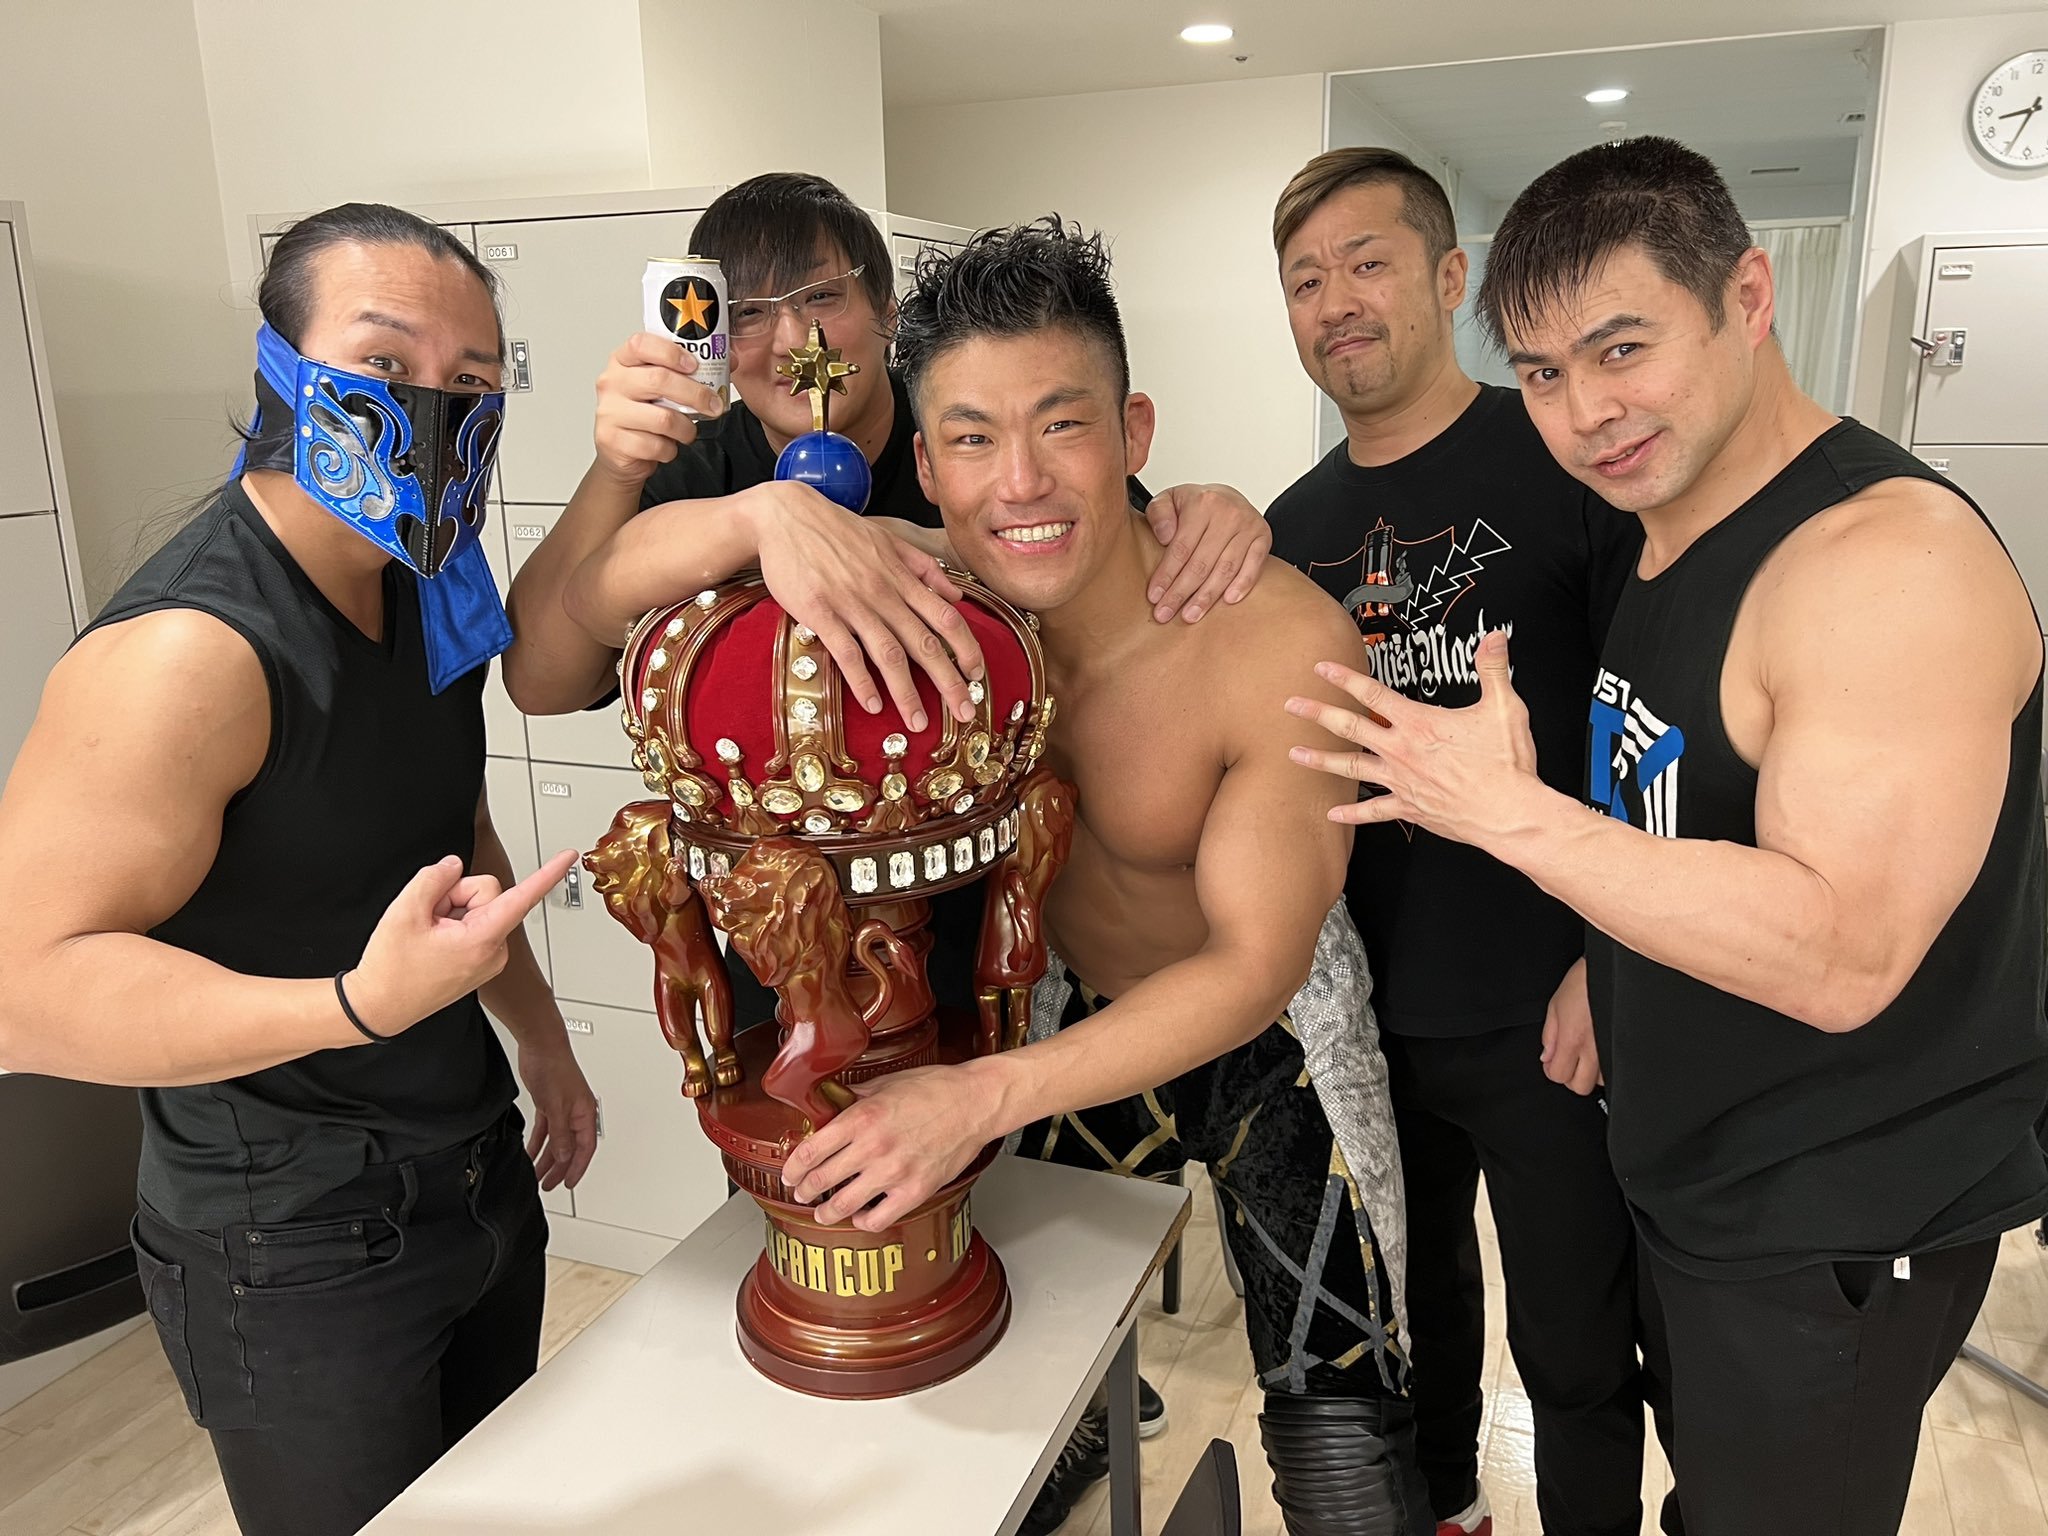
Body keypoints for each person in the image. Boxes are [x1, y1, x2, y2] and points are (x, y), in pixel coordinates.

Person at [561, 215, 1432, 1535]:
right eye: (971, 437)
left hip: (1279, 1044)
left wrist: (978, 1095)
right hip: (1068, 1015)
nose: (1018, 481)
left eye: (1061, 425)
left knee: (1343, 1433)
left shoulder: (1275, 641)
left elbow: (1254, 964)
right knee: (1043, 1394)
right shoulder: (926, 580)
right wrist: (763, 510)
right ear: (925, 464)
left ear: (1135, 435)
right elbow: (598, 596)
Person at [1287, 136, 2048, 1536]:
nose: (1588, 410)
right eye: (1545, 372)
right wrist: (1608, 966)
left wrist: (1509, 818)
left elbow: (1844, 952)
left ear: (1749, 297)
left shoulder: (1886, 561)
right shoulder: (1671, 532)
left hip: (1831, 1216)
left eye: (1623, 347)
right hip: (1699, 1167)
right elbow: (1683, 820)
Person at [0, 203, 594, 1536]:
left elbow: (439, 824)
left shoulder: (425, 579)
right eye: (384, 371)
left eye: (473, 387)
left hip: (470, 1169)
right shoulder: (187, 655)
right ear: (279, 367)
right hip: (294, 1246)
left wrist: (539, 1039)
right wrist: (351, 1006)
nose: (431, 413)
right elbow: (23, 990)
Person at [1260, 147, 1655, 1536]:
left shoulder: (1566, 469)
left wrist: (1606, 963)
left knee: (1575, 1353)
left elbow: (1648, 743)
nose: (1336, 303)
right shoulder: (1289, 533)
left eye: (1367, 264)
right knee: (1415, 1327)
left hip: (1548, 1011)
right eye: (1306, 280)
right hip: (1370, 1020)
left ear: (1448, 279)